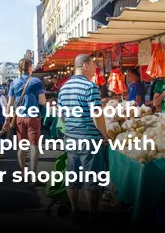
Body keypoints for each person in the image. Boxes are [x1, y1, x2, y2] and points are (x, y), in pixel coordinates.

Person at [57, 54, 111, 224]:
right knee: (92, 177)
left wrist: (72, 127)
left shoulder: (64, 88)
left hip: (71, 137)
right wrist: (105, 134)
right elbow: (96, 115)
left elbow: (62, 116)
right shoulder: (90, 87)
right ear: (85, 65)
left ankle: (75, 210)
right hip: (89, 139)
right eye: (94, 65)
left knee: (72, 176)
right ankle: (93, 214)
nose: (95, 69)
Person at [3, 58, 46, 182]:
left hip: (19, 118)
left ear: (19, 69)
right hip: (33, 117)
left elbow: (10, 103)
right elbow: (42, 101)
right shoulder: (36, 81)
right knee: (34, 146)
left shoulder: (14, 83)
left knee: (21, 146)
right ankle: (33, 174)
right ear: (30, 68)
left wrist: (7, 119)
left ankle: (22, 173)